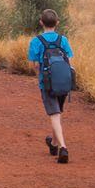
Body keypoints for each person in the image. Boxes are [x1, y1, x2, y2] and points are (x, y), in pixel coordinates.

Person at [28, 8, 74, 163]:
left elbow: (35, 65)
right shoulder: (63, 40)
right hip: (63, 81)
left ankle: (63, 147)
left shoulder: (36, 41)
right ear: (57, 23)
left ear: (41, 22)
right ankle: (53, 144)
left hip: (47, 83)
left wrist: (39, 78)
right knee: (58, 113)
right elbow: (69, 61)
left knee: (54, 115)